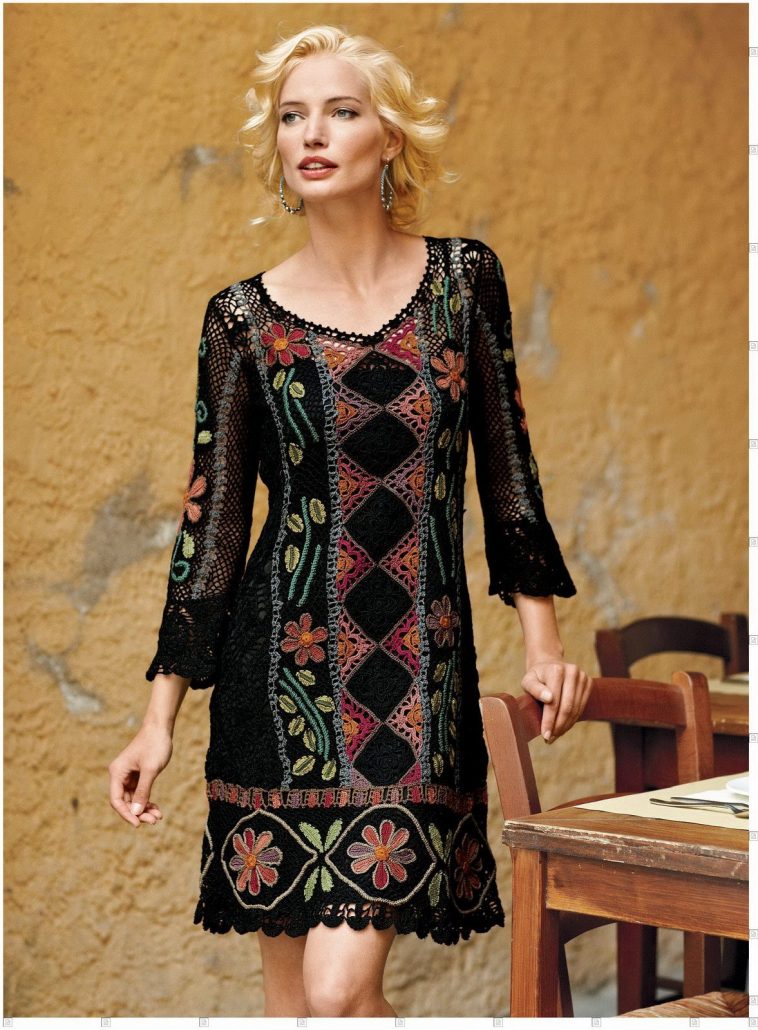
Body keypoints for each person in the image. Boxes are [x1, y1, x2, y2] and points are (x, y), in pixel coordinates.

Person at [108, 24, 593, 1019]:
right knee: (299, 1011)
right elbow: (211, 528)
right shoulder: (242, 321)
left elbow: (507, 470)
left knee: (336, 994)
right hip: (276, 688)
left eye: (340, 110)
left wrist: (542, 645)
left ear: (390, 138)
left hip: (419, 679)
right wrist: (158, 719)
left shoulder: (464, 283)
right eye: (292, 116)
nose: (312, 133)